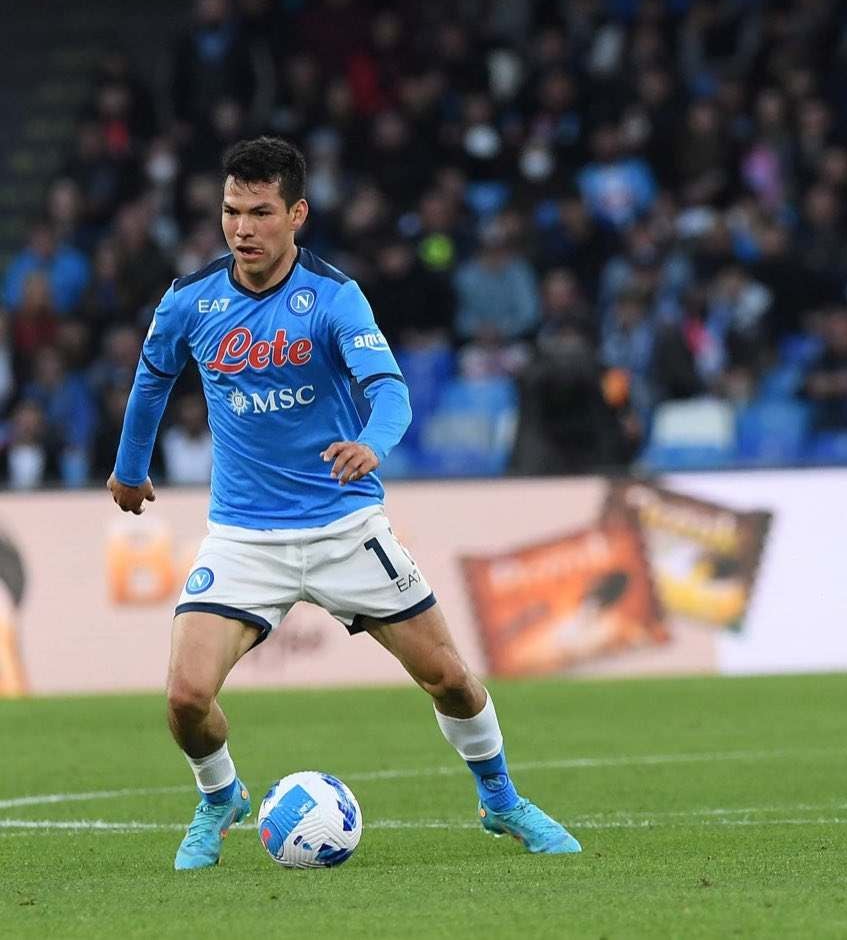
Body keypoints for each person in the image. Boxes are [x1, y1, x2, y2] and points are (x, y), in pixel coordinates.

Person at [108, 136, 580, 870]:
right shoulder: (189, 300)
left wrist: (372, 443)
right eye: (232, 211)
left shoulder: (332, 297)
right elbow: (150, 381)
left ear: (296, 213)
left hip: (344, 526)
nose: (242, 228)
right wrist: (129, 470)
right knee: (184, 698)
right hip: (243, 537)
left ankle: (501, 801)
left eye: (261, 212)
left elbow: (388, 391)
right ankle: (218, 797)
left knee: (451, 680)